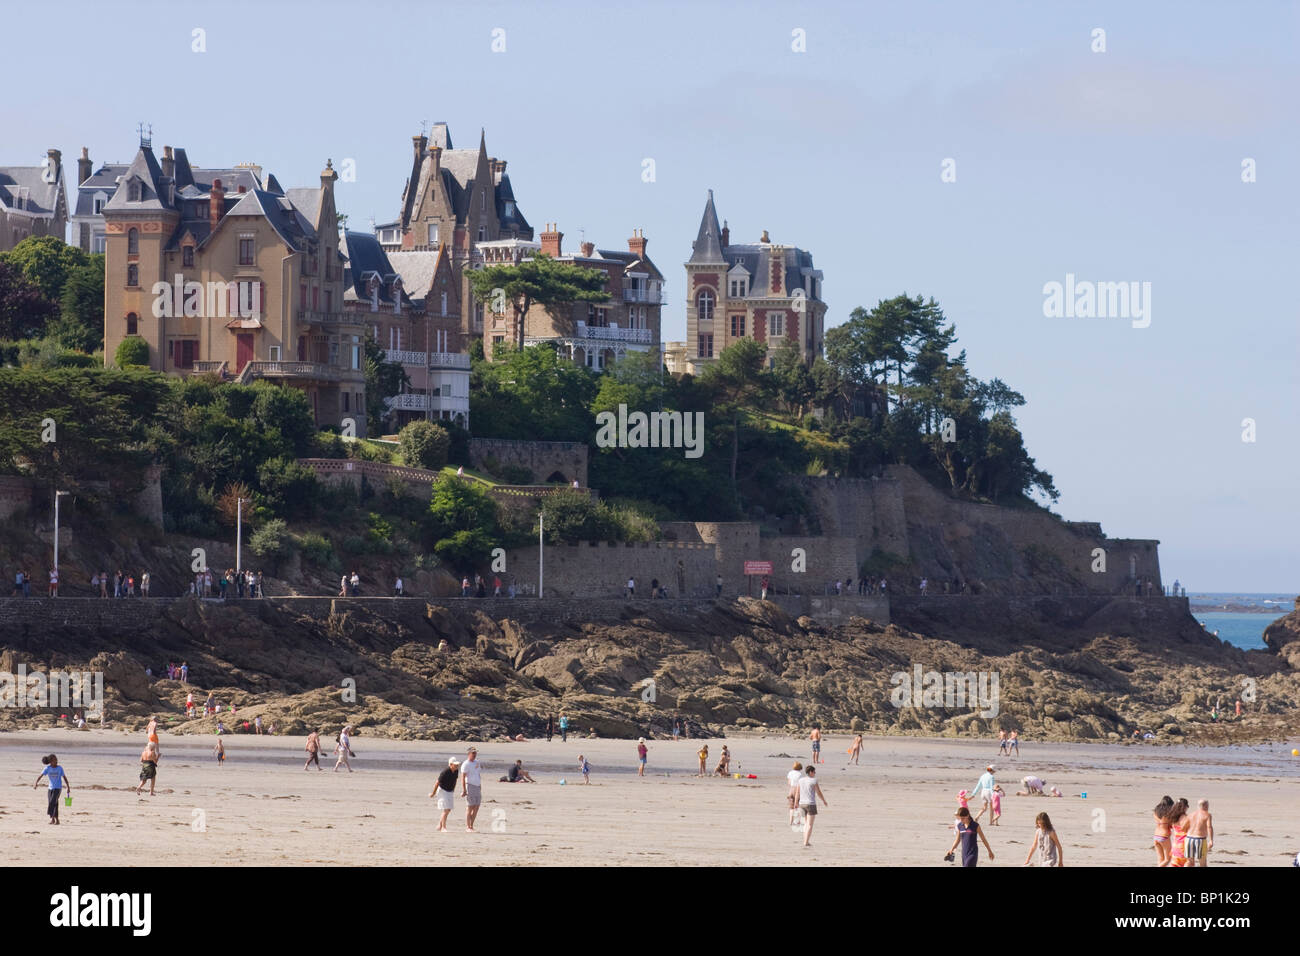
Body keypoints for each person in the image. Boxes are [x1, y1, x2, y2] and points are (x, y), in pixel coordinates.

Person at [795, 766, 827, 847]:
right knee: (809, 824)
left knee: (806, 823)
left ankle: (805, 840)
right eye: (814, 772)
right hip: (810, 804)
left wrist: (796, 802)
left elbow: (797, 793)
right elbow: (818, 792)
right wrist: (823, 800)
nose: (815, 773)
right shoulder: (814, 780)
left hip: (802, 804)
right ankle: (806, 842)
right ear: (810, 772)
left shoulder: (800, 780)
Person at [34, 754, 70, 825]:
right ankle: (55, 819)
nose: (56, 761)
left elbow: (64, 777)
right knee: (54, 803)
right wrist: (36, 783)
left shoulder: (60, 768)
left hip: (58, 788)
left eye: (56, 759)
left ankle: (50, 814)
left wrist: (68, 787)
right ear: (50, 761)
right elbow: (40, 776)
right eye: (54, 760)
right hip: (50, 788)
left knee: (52, 802)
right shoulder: (47, 768)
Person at [431, 758, 459, 831]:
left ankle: (439, 825)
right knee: (446, 810)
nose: (457, 766)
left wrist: (453, 789)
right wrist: (433, 793)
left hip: (450, 791)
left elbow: (455, 780)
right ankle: (443, 827)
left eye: (457, 765)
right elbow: (437, 782)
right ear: (450, 764)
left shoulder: (456, 771)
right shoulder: (445, 772)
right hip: (442, 791)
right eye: (455, 765)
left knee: (448, 809)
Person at [1186, 799, 1214, 867]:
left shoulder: (1191, 814)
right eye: (1208, 805)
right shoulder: (1207, 815)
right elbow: (1209, 827)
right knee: (1203, 862)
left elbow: (1184, 826)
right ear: (1205, 806)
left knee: (1189, 862)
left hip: (1189, 838)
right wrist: (1211, 840)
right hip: (1200, 839)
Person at [461, 747, 483, 831]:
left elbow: (478, 774)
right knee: (470, 806)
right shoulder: (466, 764)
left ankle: (471, 825)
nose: (474, 755)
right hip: (470, 785)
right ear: (469, 754)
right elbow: (462, 777)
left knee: (476, 806)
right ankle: (468, 826)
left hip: (477, 786)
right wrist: (464, 790)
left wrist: (480, 785)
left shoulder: (477, 762)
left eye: (475, 753)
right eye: (473, 753)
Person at [1167, 798, 1191, 867]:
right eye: (1187, 806)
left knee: (1175, 863)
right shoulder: (1185, 818)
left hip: (1175, 844)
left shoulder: (1173, 817)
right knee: (1188, 862)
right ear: (1184, 807)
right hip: (1184, 844)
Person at [786, 761, 805, 828]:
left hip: (791, 789)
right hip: (797, 790)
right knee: (798, 806)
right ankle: (798, 821)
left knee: (791, 807)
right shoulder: (800, 774)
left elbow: (789, 782)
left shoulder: (790, 773)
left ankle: (791, 821)